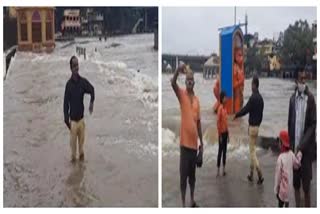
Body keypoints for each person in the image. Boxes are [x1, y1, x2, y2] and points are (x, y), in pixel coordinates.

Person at [171, 63, 204, 207]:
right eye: (188, 80)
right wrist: (178, 70)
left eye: (192, 80)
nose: (190, 82)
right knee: (183, 178)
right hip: (184, 145)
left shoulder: (197, 101)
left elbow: (198, 124)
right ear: (185, 82)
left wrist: (201, 145)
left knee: (193, 178)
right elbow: (172, 83)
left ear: (194, 83)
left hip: (194, 146)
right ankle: (183, 205)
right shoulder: (181, 95)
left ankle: (192, 201)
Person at [288, 70, 316, 207]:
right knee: (296, 185)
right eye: (301, 79)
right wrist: (292, 148)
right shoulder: (292, 100)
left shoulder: (310, 99)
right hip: (294, 151)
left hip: (305, 152)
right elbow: (290, 124)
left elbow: (312, 125)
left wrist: (301, 148)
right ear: (296, 81)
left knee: (306, 187)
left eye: (305, 79)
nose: (303, 82)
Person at [64, 56, 95, 163]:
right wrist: (66, 119)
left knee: (81, 152)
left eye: (77, 65)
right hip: (73, 123)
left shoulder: (83, 82)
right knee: (73, 155)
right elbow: (65, 104)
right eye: (74, 66)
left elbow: (92, 90)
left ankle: (81, 173)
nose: (76, 68)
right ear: (70, 68)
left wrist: (91, 103)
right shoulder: (68, 85)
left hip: (81, 122)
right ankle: (73, 175)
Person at [233, 75, 264, 184]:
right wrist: (258, 124)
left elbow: (245, 110)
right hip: (257, 128)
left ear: (255, 85)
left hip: (252, 128)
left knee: (252, 153)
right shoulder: (260, 98)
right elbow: (261, 115)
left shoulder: (253, 98)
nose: (251, 86)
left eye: (252, 84)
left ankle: (259, 173)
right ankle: (251, 174)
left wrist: (236, 115)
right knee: (253, 150)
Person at [274, 130, 301, 207]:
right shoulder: (291, 154)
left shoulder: (280, 158)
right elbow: (297, 165)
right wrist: (299, 154)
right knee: (287, 204)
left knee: (280, 205)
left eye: (279, 141)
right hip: (289, 189)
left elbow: (278, 177)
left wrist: (276, 190)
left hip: (282, 190)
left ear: (282, 143)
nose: (278, 143)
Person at [217, 91, 229, 176]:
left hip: (225, 133)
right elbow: (218, 123)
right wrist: (220, 135)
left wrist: (228, 134)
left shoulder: (225, 109)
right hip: (221, 134)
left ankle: (224, 170)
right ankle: (218, 171)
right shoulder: (220, 109)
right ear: (222, 98)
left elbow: (226, 123)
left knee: (225, 151)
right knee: (220, 152)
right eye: (225, 97)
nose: (226, 98)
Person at [233, 48, 245, 113]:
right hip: (236, 95)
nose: (242, 58)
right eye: (239, 55)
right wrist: (240, 81)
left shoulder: (240, 68)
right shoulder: (234, 68)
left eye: (242, 55)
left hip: (240, 94)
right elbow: (233, 85)